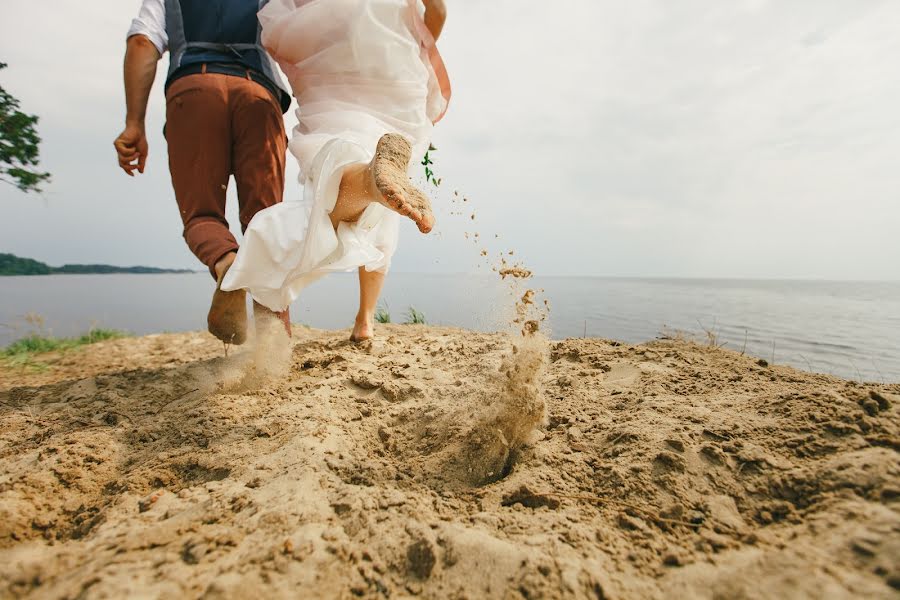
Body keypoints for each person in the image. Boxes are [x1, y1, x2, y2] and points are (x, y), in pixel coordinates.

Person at [220, 0, 451, 342]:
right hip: (393, 80)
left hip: (331, 78)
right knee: (383, 214)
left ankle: (367, 178)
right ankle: (366, 320)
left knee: (333, 167)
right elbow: (438, 13)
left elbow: (277, 33)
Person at [112, 0, 294, 346]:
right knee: (266, 223)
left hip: (194, 90)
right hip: (258, 94)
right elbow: (301, 34)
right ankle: (274, 346)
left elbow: (141, 41)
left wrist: (134, 123)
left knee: (202, 217)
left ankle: (227, 263)